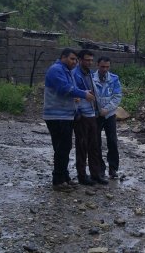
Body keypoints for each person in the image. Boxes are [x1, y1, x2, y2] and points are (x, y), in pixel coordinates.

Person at [43, 48, 95, 192]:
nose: (74, 62)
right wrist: (83, 94)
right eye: (72, 59)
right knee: (62, 148)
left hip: (65, 115)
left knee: (64, 148)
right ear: (63, 57)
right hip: (57, 116)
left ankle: (64, 177)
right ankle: (58, 180)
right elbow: (64, 89)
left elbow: (70, 90)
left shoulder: (67, 71)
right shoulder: (56, 70)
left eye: (76, 60)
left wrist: (77, 99)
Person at [72, 50, 108, 186]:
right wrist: (77, 114)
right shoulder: (75, 74)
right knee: (82, 146)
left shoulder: (88, 74)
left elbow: (94, 95)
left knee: (94, 146)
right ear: (80, 60)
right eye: (87, 60)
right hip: (82, 115)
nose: (90, 62)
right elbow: (74, 95)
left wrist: (97, 110)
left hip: (92, 114)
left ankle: (95, 174)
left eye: (91, 60)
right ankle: (82, 175)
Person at [93, 56, 123, 179]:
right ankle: (100, 169)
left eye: (107, 67)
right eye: (102, 67)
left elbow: (117, 96)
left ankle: (113, 168)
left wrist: (107, 109)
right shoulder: (91, 78)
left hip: (109, 114)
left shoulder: (114, 79)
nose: (105, 69)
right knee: (96, 142)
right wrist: (99, 110)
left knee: (112, 141)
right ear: (97, 66)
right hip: (95, 115)